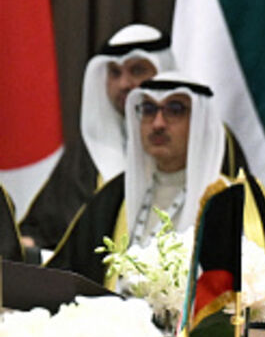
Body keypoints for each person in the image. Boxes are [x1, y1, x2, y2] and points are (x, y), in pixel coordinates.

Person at [21, 24, 248, 252]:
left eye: (137, 70)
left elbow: (241, 226)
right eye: (115, 73)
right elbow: (45, 229)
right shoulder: (89, 149)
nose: (124, 84)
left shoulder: (211, 141)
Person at [46, 74, 265, 288]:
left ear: (201, 122)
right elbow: (68, 275)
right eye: (148, 109)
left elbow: (257, 292)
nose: (158, 123)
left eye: (175, 109)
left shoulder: (234, 198)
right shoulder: (114, 196)